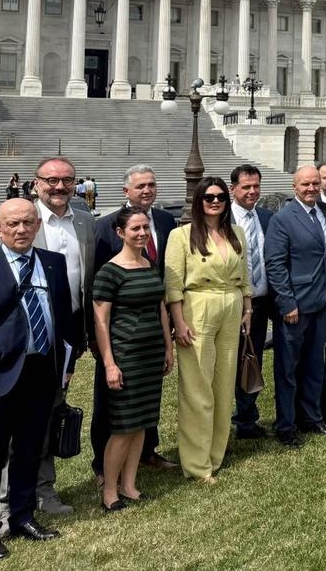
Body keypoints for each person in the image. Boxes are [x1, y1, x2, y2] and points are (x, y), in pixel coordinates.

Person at [0, 199, 77, 561]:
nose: (21, 230)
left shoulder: (53, 263)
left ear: (37, 225)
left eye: (27, 222)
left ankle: (23, 517)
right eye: (13, 224)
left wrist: (66, 362)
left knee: (29, 452)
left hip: (41, 375)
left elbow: (63, 318)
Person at [0, 157, 96, 519]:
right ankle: (5, 500)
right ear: (36, 184)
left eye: (67, 180)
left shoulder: (84, 220)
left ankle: (43, 490)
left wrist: (79, 337)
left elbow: (85, 282)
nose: (59, 186)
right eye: (51, 180)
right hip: (19, 338)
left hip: (63, 334)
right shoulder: (17, 218)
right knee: (11, 424)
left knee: (49, 414)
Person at [91, 165, 180, 480]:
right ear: (125, 191)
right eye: (140, 185)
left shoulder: (168, 221)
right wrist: (102, 344)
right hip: (119, 333)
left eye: (151, 184)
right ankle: (103, 463)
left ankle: (147, 452)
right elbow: (98, 287)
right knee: (111, 400)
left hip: (153, 324)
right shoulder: (105, 227)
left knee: (146, 394)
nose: (147, 190)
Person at [164, 176, 252, 482]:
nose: (215, 202)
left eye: (221, 197)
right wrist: (179, 321)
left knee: (224, 383)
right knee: (197, 386)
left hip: (232, 307)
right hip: (197, 306)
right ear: (199, 201)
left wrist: (248, 307)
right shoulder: (181, 235)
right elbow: (173, 284)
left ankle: (216, 454)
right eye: (209, 197)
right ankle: (196, 463)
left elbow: (245, 273)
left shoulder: (236, 232)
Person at [264, 165, 326, 445]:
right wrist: (286, 303)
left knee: (313, 365)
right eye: (305, 184)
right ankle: (286, 426)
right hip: (294, 307)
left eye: (315, 183)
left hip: (320, 303)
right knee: (288, 369)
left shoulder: (325, 212)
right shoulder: (283, 219)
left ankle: (312, 418)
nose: (311, 188)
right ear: (294, 187)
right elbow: (275, 265)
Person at [229, 164, 274, 439]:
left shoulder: (267, 217)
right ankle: (222, 422)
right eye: (246, 187)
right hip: (231, 305)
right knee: (227, 363)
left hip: (260, 302)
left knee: (252, 359)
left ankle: (246, 420)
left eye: (256, 186)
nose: (252, 192)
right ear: (232, 187)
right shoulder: (223, 220)